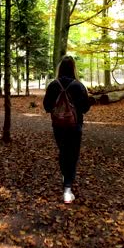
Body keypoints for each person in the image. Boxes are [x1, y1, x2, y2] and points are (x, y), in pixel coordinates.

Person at [43, 55, 90, 204]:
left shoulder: (53, 85)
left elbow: (47, 107)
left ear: (60, 68)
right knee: (73, 156)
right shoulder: (78, 85)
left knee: (63, 153)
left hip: (58, 126)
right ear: (73, 68)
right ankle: (67, 190)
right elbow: (85, 108)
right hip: (74, 126)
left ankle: (66, 180)